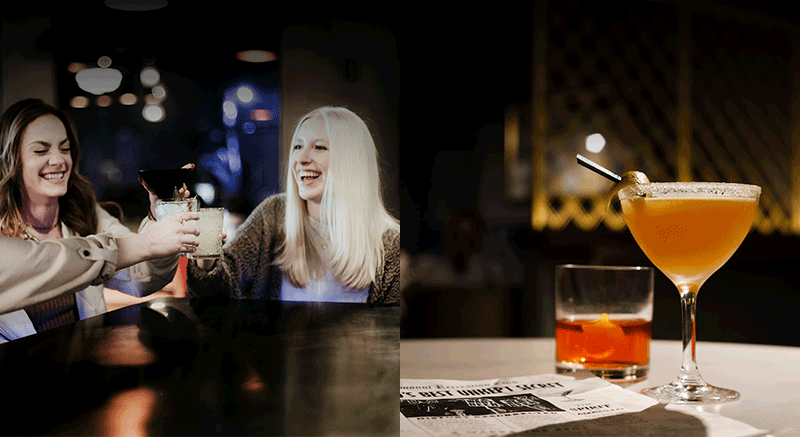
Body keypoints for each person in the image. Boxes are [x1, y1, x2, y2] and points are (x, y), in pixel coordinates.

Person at [0, 98, 200, 342]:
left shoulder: (85, 214)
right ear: (10, 159)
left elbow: (142, 277)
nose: (59, 160)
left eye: (65, 149)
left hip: (84, 361)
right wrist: (146, 242)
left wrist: (160, 216)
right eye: (41, 150)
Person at [187, 106, 400, 304]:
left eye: (319, 147)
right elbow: (215, 292)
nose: (301, 158)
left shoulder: (391, 245)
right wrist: (205, 249)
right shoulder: (273, 214)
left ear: (352, 159)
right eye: (298, 146)